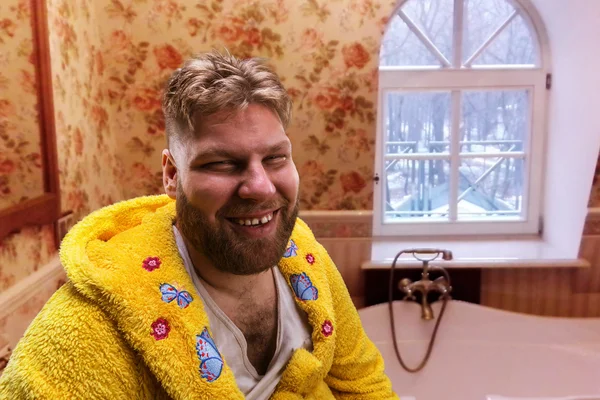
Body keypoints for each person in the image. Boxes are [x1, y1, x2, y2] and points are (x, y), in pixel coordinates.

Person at [0, 50, 396, 399]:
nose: (259, 187)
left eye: (275, 158)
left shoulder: (306, 258)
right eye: (221, 163)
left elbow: (364, 382)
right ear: (172, 176)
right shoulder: (86, 332)